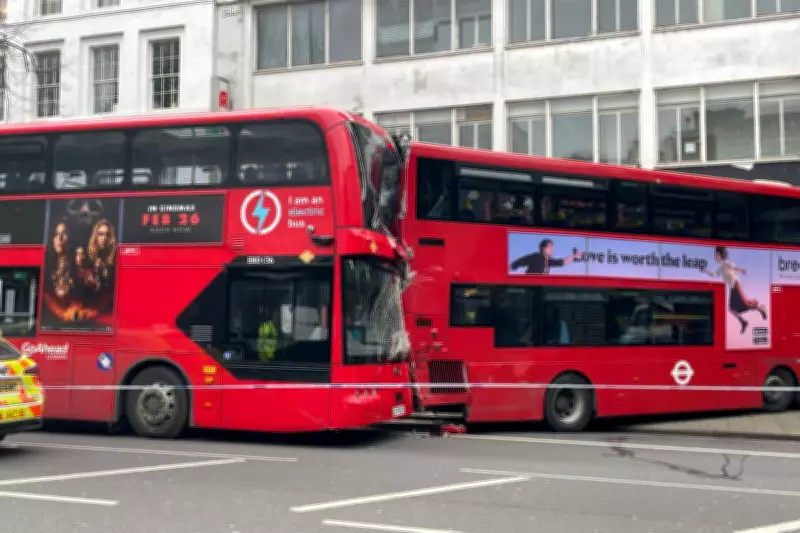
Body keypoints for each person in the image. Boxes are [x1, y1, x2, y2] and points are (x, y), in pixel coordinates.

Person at [705, 245, 767, 334]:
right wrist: (705, 271)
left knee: (744, 303)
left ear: (719, 255)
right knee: (732, 308)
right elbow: (713, 274)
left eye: (716, 255)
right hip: (732, 288)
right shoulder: (720, 267)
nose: (715, 257)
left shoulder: (727, 262)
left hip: (736, 284)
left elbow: (734, 267)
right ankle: (744, 321)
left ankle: (760, 309)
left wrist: (741, 270)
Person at [510, 238, 583, 274]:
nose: (552, 249)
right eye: (550, 247)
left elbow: (561, 262)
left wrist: (573, 257)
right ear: (544, 248)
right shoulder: (535, 257)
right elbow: (518, 262)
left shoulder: (548, 260)